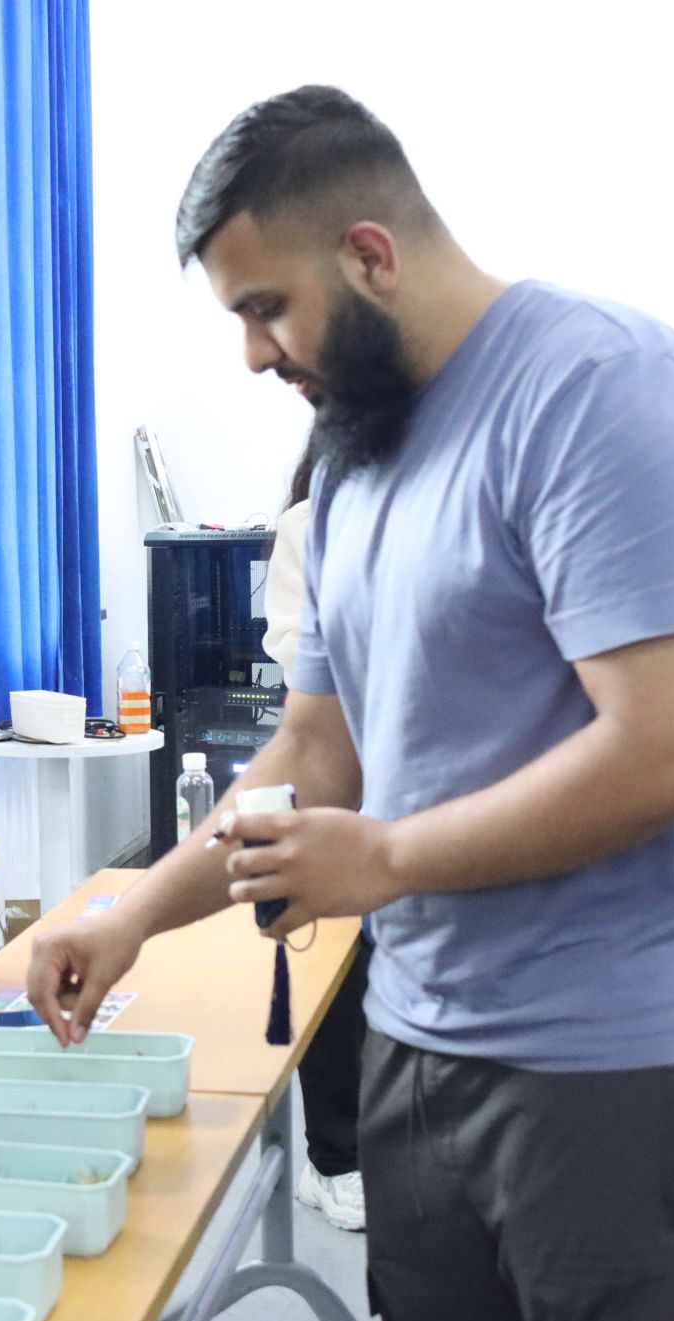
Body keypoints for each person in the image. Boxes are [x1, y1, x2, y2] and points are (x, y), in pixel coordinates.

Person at [26, 86, 674, 1321]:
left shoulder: (603, 392)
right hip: (426, 1044)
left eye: (265, 308)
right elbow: (311, 754)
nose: (253, 355)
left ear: (369, 255)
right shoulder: (354, 464)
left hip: (640, 1061)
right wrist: (133, 914)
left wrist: (386, 857)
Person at [263, 445, 369, 1235]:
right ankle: (335, 1159)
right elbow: (296, 650)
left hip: (434, 796)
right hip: (342, 777)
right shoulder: (310, 526)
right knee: (337, 973)